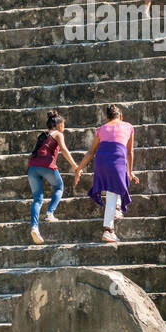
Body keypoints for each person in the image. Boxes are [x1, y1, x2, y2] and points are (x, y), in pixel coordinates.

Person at [73, 104, 138, 245]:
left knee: (112, 189)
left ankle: (115, 214)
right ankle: (109, 229)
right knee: (113, 191)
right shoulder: (128, 126)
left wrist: (79, 168)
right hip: (117, 158)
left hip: (101, 160)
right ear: (121, 117)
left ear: (107, 118)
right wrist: (131, 171)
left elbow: (91, 152)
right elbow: (130, 151)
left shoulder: (101, 129)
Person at [27, 110, 78, 245]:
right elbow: (64, 150)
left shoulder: (42, 135)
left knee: (37, 199)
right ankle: (50, 213)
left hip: (32, 168)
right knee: (59, 187)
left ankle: (34, 227)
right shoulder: (58, 134)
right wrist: (75, 166)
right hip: (47, 166)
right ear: (59, 125)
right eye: (64, 124)